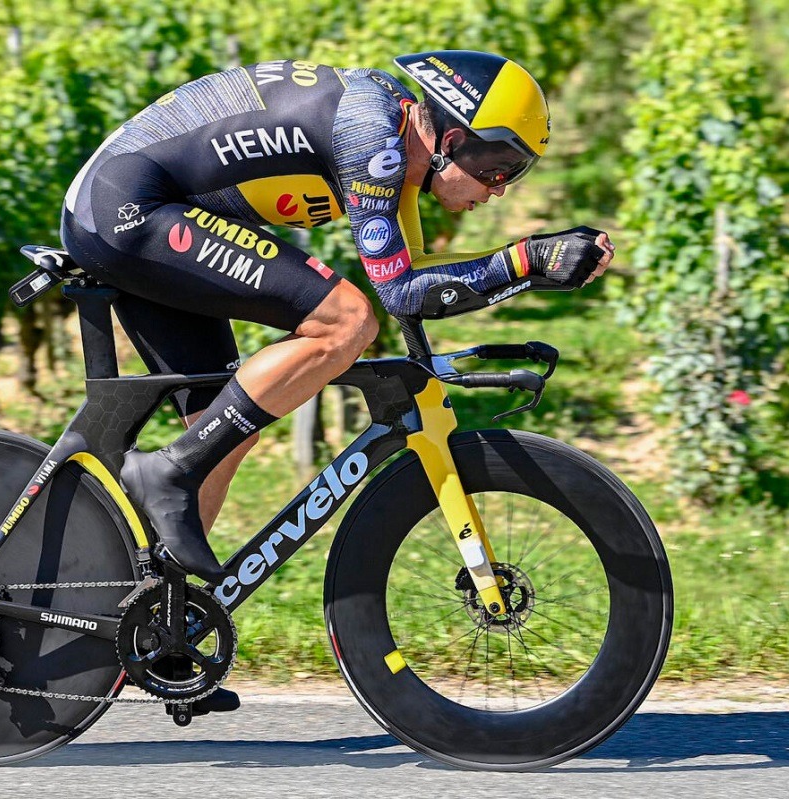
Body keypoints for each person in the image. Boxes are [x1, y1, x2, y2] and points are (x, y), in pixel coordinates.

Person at [59, 51, 614, 710]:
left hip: (146, 207)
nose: (499, 190)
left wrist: (534, 260)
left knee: (223, 430)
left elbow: (417, 280)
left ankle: (156, 630)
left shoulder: (397, 145)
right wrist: (528, 259)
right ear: (454, 138)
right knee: (346, 321)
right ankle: (164, 475)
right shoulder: (372, 135)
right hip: (129, 208)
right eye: (500, 169)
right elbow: (397, 290)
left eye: (513, 178)